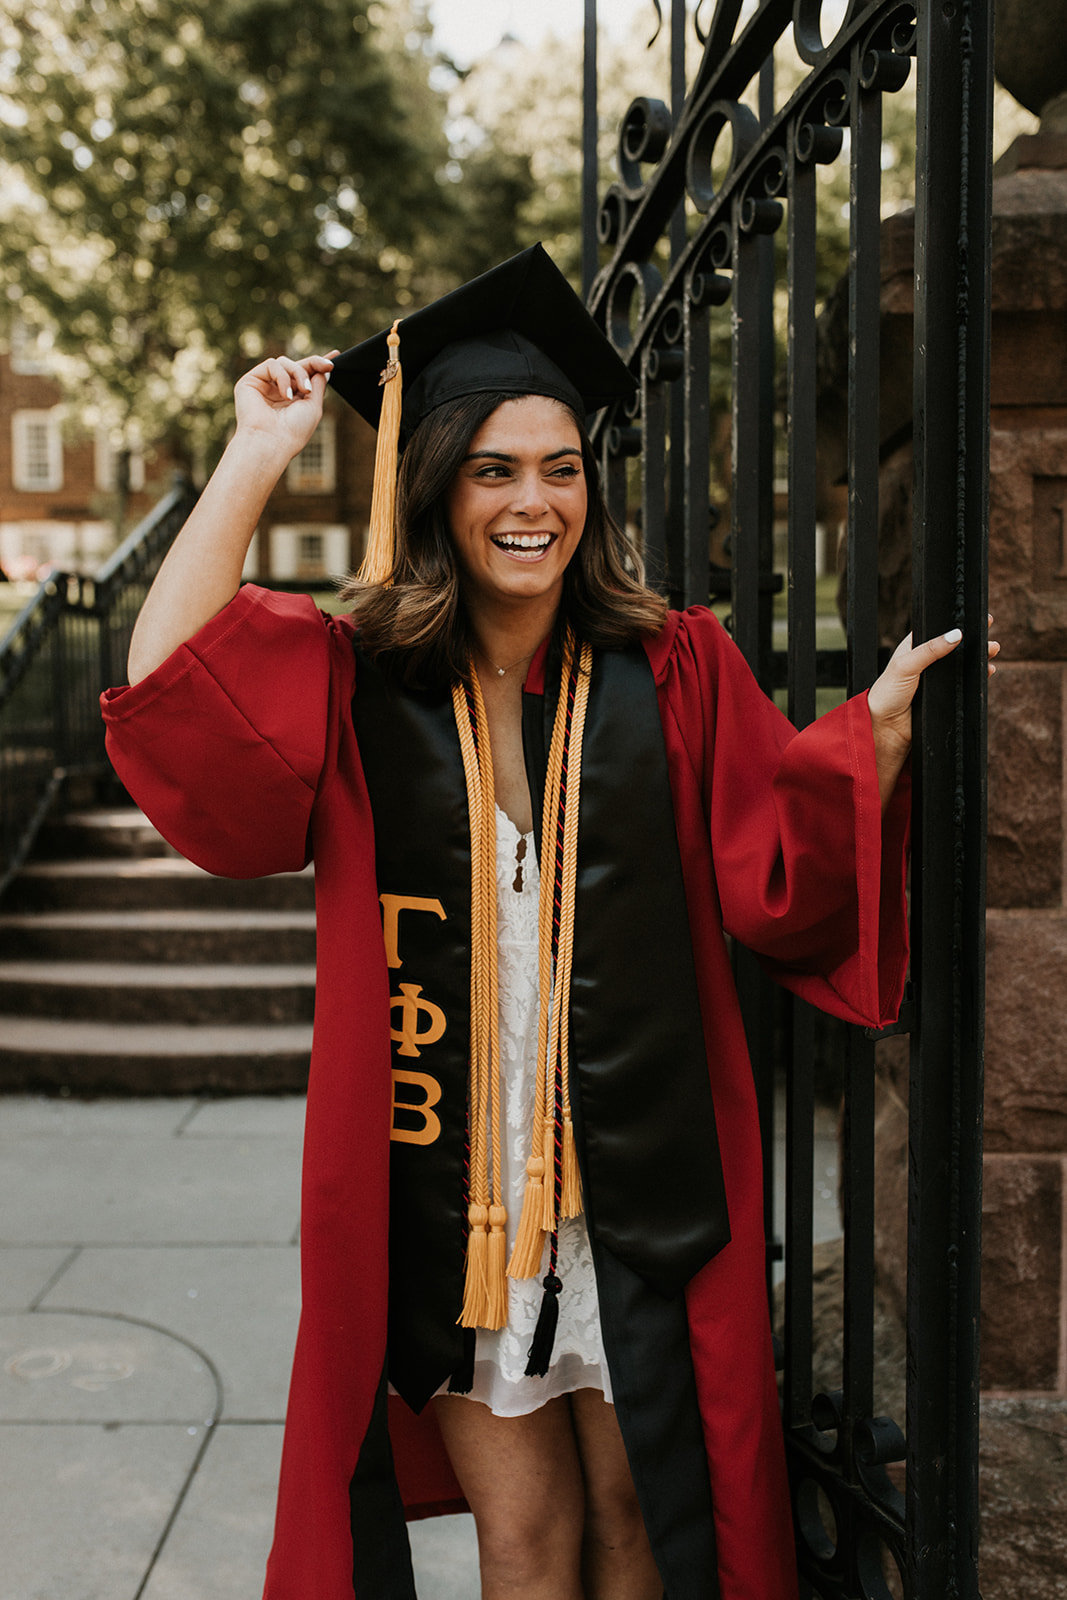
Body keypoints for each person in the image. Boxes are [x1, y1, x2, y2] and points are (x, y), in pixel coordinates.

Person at [101, 246, 996, 1600]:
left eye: (561, 467)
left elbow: (781, 877)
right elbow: (169, 682)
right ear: (439, 488)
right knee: (523, 1536)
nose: (534, 501)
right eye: (494, 469)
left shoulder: (680, 668)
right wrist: (256, 452)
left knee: (644, 1519)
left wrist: (863, 743)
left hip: (638, 1203)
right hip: (449, 1212)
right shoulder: (361, 685)